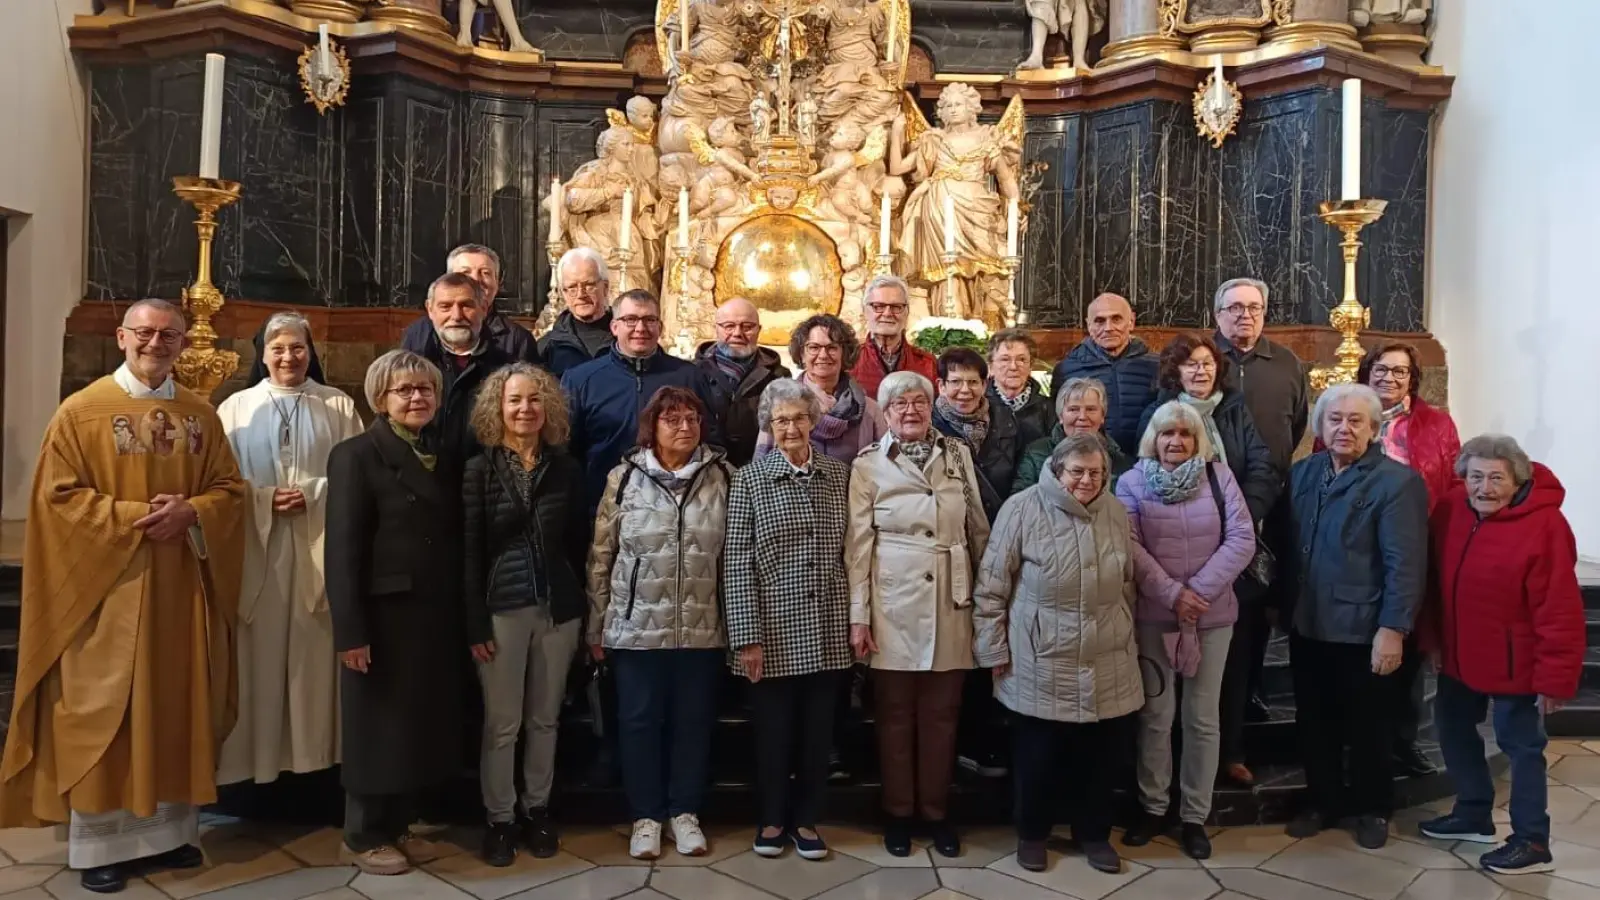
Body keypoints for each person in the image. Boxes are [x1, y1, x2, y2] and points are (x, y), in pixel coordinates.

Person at [0, 299, 246, 894]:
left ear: (184, 344)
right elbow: (57, 501)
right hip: (104, 592)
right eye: (144, 332)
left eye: (168, 334)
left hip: (178, 593)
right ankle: (101, 844)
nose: (155, 342)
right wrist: (136, 517)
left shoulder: (199, 415)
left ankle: (169, 835)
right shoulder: (81, 413)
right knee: (103, 708)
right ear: (121, 337)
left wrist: (194, 510)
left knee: (173, 702)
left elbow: (231, 490)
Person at [326, 350, 471, 875]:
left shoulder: (441, 452)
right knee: (376, 726)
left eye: (425, 390)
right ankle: (363, 833)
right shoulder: (356, 455)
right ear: (380, 399)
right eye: (404, 390)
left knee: (414, 726)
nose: (416, 398)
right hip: (381, 618)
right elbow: (342, 554)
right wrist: (350, 632)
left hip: (430, 614)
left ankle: (398, 826)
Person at [973, 433, 1141, 876]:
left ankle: (1094, 833)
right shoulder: (1023, 508)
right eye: (1077, 472)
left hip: (1107, 654)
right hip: (1040, 654)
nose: (1087, 480)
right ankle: (1032, 834)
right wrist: (992, 650)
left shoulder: (1117, 511)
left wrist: (1127, 633)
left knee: (1100, 757)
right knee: (1038, 755)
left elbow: (1127, 584)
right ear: (1057, 470)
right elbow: (992, 586)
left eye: (1096, 473)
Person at [1418, 435, 1584, 874]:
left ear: (1518, 481)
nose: (1484, 488)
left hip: (1518, 663)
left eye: (1496, 478)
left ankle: (1532, 841)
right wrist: (1433, 639)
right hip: (1459, 654)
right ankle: (1473, 813)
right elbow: (1434, 583)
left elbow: (1560, 608)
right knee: (1451, 727)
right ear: (1463, 478)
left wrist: (1556, 677)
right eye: (1476, 476)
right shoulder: (1451, 509)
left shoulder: (1545, 525)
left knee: (1522, 748)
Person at [216, 311, 364, 787]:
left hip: (318, 553)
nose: (288, 357)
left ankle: (315, 766)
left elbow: (358, 476)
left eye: (297, 347)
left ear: (310, 352)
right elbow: (219, 484)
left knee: (312, 659)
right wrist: (259, 499)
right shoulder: (235, 408)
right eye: (277, 349)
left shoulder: (338, 406)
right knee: (257, 660)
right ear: (261, 354)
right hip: (257, 554)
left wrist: (316, 492)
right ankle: (253, 768)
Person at [846, 372, 990, 859]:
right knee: (894, 717)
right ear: (884, 413)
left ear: (932, 408)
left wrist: (986, 602)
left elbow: (977, 528)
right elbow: (858, 546)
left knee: (942, 716)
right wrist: (859, 616)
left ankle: (936, 811)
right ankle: (898, 812)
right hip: (892, 603)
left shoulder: (956, 454)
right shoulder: (867, 465)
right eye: (899, 404)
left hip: (950, 597)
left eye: (919, 402)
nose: (910, 410)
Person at [586, 387, 733, 861]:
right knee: (639, 722)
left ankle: (684, 811)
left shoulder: (723, 477)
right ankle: (647, 815)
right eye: (673, 420)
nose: (684, 428)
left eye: (692, 419)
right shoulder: (623, 478)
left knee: (693, 722)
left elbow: (735, 557)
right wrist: (597, 625)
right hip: (635, 627)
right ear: (653, 426)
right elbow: (602, 556)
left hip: (702, 624)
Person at [1281, 384, 1427, 850]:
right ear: (1321, 427)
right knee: (1314, 720)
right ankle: (1323, 801)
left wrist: (1394, 628)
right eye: (1334, 419)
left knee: (1369, 725)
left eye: (1355, 420)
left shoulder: (1396, 483)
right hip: (1309, 621)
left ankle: (1372, 808)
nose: (1343, 428)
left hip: (1365, 627)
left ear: (1373, 427)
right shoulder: (1303, 473)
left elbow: (1405, 562)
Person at [1137, 332, 1280, 785]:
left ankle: (1228, 751)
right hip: (1166, 575)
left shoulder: (1234, 410)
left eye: (1207, 363)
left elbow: (1261, 466)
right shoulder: (1156, 416)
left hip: (1226, 558)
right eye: (1190, 365)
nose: (1200, 371)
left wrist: (1241, 511)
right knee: (1161, 696)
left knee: (1230, 663)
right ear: (1174, 372)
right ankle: (1166, 772)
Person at [1115, 402, 1255, 860]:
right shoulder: (1131, 482)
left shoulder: (1220, 478)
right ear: (1152, 437)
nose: (1176, 441)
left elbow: (1241, 539)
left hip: (1212, 618)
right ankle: (1154, 806)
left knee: (1202, 718)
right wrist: (1174, 594)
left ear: (1199, 440)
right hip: (1155, 616)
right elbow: (1130, 547)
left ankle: (1195, 814)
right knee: (1156, 716)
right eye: (1167, 433)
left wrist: (1198, 593)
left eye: (1185, 433)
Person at [461, 364, 587, 866]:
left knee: (545, 720)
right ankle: (500, 818)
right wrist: (473, 622)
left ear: (548, 408)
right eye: (514, 401)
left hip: (558, 609)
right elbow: (470, 551)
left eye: (535, 400)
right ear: (498, 407)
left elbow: (576, 542)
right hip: (501, 609)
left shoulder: (566, 468)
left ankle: (537, 810)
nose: (525, 409)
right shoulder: (478, 469)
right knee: (502, 723)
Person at [724, 379, 854, 861]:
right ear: (770, 427)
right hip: (773, 629)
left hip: (827, 626)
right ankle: (773, 817)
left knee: (818, 735)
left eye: (800, 418)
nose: (792, 427)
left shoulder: (839, 475)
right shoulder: (749, 480)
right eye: (782, 420)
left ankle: (807, 819)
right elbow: (736, 560)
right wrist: (747, 637)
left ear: (814, 422)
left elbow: (853, 552)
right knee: (774, 735)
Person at [1340, 342, 1463, 776]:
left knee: (1407, 650)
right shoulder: (1345, 413)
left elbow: (1451, 488)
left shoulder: (1437, 425)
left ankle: (1403, 740)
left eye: (1399, 372)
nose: (1388, 378)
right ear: (1366, 371)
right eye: (1379, 368)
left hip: (1414, 546)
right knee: (1356, 653)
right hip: (1353, 551)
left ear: (1413, 379)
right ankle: (1357, 741)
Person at [1210, 277, 1307, 765]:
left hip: (1270, 503)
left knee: (1260, 598)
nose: (1243, 316)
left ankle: (1250, 688)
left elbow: (1297, 427)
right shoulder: (1205, 360)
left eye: (1253, 308)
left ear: (1264, 313)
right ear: (1218, 315)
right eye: (1233, 308)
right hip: (1208, 511)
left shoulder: (1286, 364)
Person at [562, 289, 719, 515]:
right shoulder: (581, 380)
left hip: (674, 509)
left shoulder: (688, 376)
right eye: (630, 320)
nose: (640, 328)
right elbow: (567, 450)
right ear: (614, 327)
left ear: (660, 327)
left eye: (649, 320)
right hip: (602, 505)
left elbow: (709, 440)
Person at [401, 272, 515, 468]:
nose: (456, 316)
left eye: (466, 305)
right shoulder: (408, 367)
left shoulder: (507, 369)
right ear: (430, 310)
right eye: (445, 306)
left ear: (484, 308)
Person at [756, 314, 886, 462]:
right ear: (801, 354)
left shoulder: (870, 410)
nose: (823, 355)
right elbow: (761, 468)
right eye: (814, 347)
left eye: (832, 347)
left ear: (844, 354)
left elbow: (885, 468)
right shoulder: (779, 405)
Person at [1049, 292, 1158, 456]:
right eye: (1099, 321)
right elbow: (1056, 424)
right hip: (1087, 462)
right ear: (1089, 326)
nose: (1108, 328)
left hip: (1145, 462)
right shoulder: (1067, 370)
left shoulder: (1157, 366)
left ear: (1131, 322)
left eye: (1116, 319)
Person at [400, 243, 541, 365]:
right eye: (465, 273)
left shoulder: (517, 340)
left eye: (485, 273)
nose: (475, 279)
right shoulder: (418, 334)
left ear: (498, 282)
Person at [694, 296, 791, 465]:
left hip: (761, 470)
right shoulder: (692, 372)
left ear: (759, 330)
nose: (737, 333)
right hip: (705, 471)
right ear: (716, 328)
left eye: (747, 327)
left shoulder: (778, 376)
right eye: (729, 326)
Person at [932, 347, 1022, 521]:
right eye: (956, 382)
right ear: (941, 386)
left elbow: (1019, 476)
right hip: (951, 525)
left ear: (984, 385)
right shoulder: (930, 427)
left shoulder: (1006, 420)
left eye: (973, 382)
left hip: (1002, 520)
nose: (965, 390)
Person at [1013, 376, 1131, 494]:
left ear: (1102, 417)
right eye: (1073, 409)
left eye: (1091, 409)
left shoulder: (1119, 460)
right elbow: (1019, 504)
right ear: (1060, 416)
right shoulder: (1035, 453)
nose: (1082, 417)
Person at [848, 274, 937, 399]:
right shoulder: (849, 361)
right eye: (878, 306)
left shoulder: (927, 364)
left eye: (896, 307)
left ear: (907, 312)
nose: (888, 313)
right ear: (864, 311)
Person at [540, 247, 616, 376]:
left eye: (589, 285)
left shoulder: (627, 338)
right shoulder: (547, 347)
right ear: (563, 293)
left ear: (605, 287)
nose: (581, 294)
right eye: (572, 287)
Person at [986, 328, 1053, 447]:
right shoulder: (979, 406)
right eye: (1005, 359)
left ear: (1031, 366)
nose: (1013, 367)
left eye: (1021, 359)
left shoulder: (1048, 409)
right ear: (991, 366)